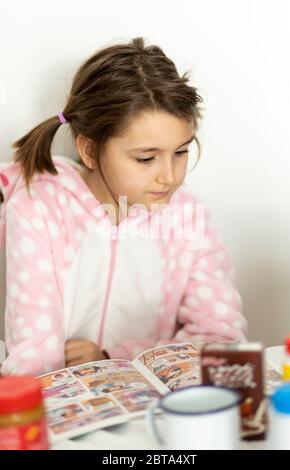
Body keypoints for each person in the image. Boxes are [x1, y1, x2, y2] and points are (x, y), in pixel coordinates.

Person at [0, 37, 247, 376]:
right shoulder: (39, 208)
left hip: (156, 412)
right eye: (146, 158)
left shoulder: (187, 217)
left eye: (180, 152)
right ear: (89, 150)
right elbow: (32, 356)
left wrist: (112, 357)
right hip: (60, 413)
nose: (169, 177)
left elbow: (220, 338)